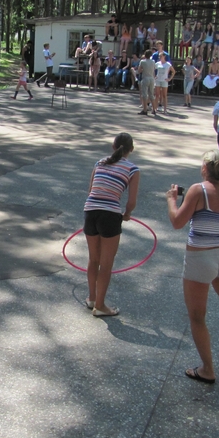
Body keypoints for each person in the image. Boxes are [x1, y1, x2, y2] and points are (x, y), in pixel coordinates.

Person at [165, 150, 219, 385]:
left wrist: (171, 200)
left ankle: (207, 369)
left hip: (200, 258)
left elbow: (177, 222)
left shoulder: (197, 189)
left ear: (205, 168)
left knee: (197, 317)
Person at [83, 133, 140, 317]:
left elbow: (91, 189)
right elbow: (131, 202)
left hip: (90, 210)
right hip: (110, 214)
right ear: (131, 150)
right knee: (106, 264)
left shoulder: (100, 163)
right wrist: (127, 214)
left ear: (113, 146)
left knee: (93, 259)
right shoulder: (132, 169)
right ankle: (100, 306)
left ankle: (92, 298)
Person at [137, 50, 156, 115]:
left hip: (145, 78)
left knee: (144, 94)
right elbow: (154, 70)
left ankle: (145, 109)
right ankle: (154, 109)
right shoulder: (153, 61)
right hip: (151, 78)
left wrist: (143, 69)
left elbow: (139, 70)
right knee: (151, 94)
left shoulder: (142, 61)